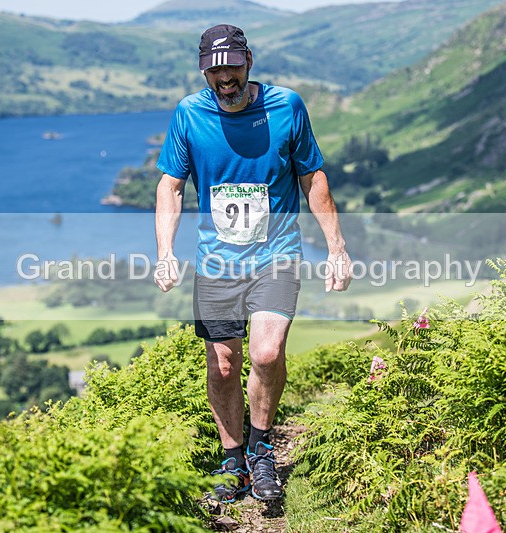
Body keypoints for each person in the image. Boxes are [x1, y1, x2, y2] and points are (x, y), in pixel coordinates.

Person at [153, 23, 351, 503]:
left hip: (275, 253)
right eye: (214, 70)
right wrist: (165, 253)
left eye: (232, 67)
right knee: (223, 365)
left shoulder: (287, 106)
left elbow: (312, 177)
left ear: (249, 63)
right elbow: (171, 186)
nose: (225, 78)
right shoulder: (188, 115)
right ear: (204, 71)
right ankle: (232, 461)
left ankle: (262, 451)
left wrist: (337, 248)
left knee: (265, 353)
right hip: (217, 261)